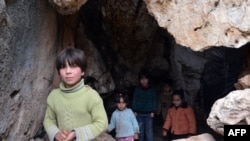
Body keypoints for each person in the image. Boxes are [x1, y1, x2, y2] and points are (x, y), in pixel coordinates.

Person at [43, 48, 108, 141]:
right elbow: (48, 120)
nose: (68, 71)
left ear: (82, 71)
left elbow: (102, 123)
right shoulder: (54, 96)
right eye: (63, 67)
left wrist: (75, 134)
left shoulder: (91, 95)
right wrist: (56, 133)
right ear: (58, 72)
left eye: (73, 66)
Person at [132, 68, 157, 141]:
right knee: (140, 132)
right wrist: (135, 110)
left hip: (149, 114)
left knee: (149, 132)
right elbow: (135, 100)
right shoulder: (137, 90)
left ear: (149, 79)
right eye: (142, 79)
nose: (144, 80)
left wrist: (153, 111)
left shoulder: (152, 90)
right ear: (139, 80)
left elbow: (154, 100)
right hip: (139, 114)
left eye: (146, 78)